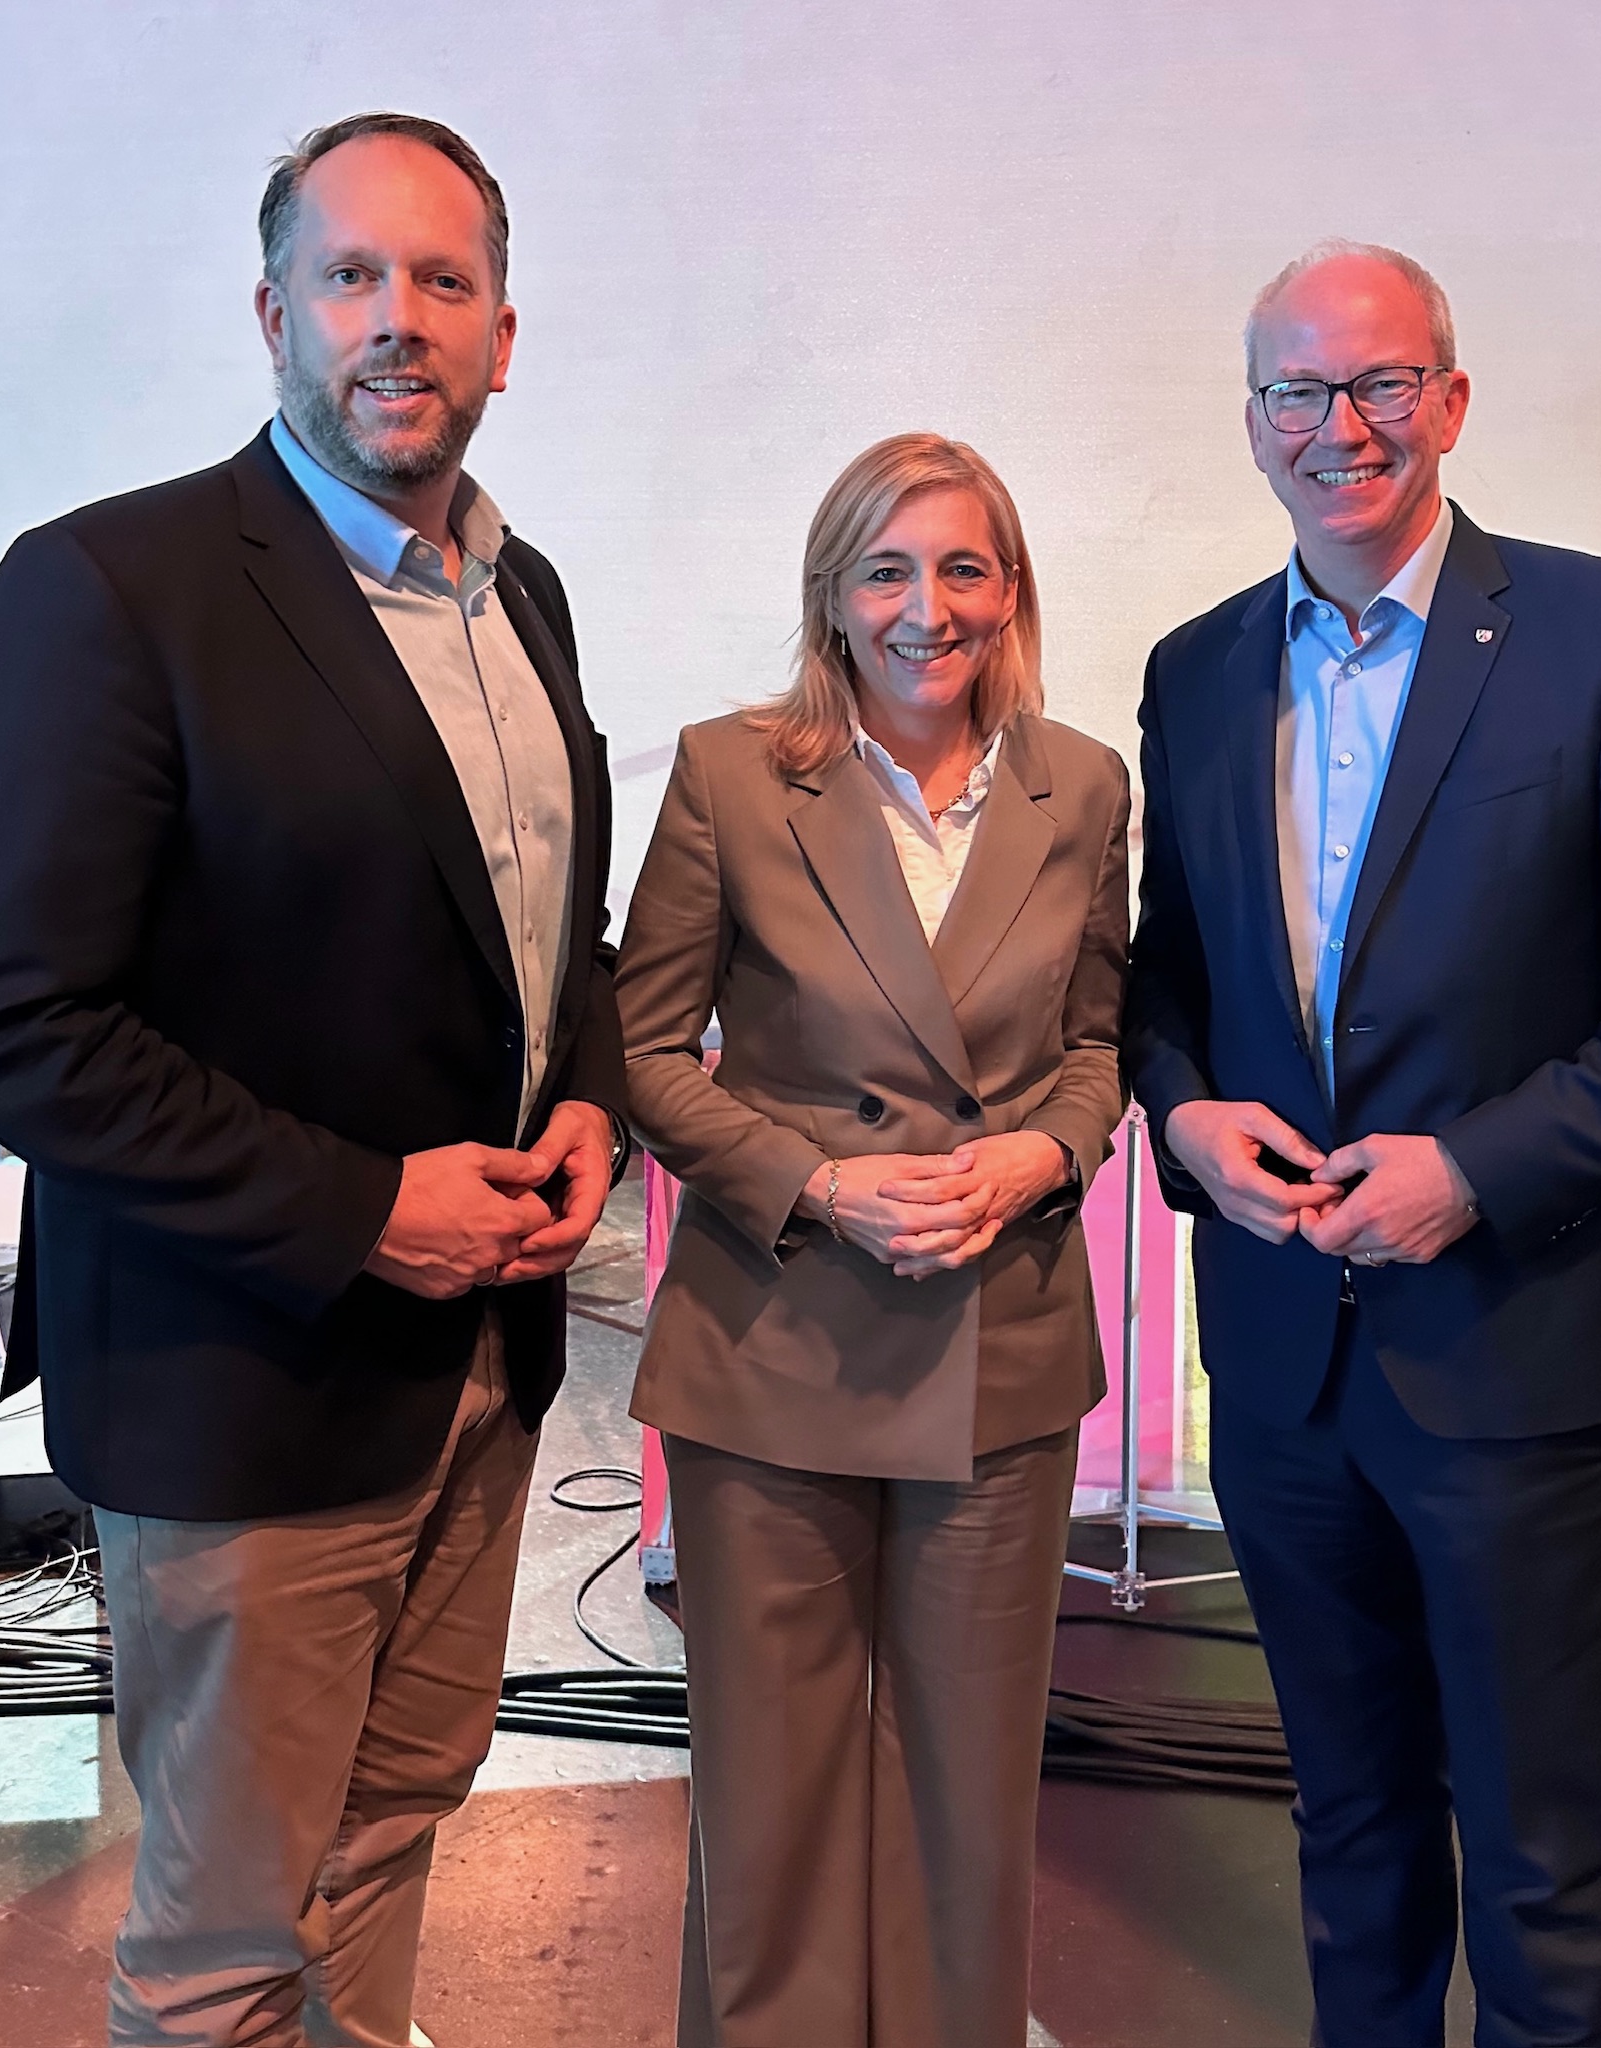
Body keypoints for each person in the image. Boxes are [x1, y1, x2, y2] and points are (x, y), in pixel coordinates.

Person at [0, 113, 627, 2048]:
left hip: (482, 1365)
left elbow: (545, 935)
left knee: (392, 1830)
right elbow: (7, 1018)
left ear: (502, 334)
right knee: (226, 1947)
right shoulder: (112, 586)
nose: (400, 320)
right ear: (273, 313)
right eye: (352, 275)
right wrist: (363, 1208)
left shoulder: (523, 593)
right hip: (244, 1387)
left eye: (444, 281)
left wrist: (590, 1093)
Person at [1124, 242, 1601, 2048]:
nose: (1339, 427)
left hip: (1526, 1358)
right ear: (1252, 421)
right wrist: (1182, 1113)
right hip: (1284, 1367)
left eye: (1381, 383)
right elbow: (1166, 980)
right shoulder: (1196, 672)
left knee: (1541, 1857)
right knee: (1347, 1833)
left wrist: (1475, 1171)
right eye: (1298, 391)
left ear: (1452, 398)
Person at [616, 432, 1129, 2048]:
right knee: (771, 1801)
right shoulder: (730, 773)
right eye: (887, 570)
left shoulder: (1082, 786)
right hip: (777, 1343)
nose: (928, 607)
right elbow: (643, 1054)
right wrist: (819, 1184)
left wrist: (1041, 1155)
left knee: (968, 1801)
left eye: (964, 567)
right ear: (832, 595)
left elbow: (1100, 1044)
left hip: (1000, 1343)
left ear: (1010, 590)